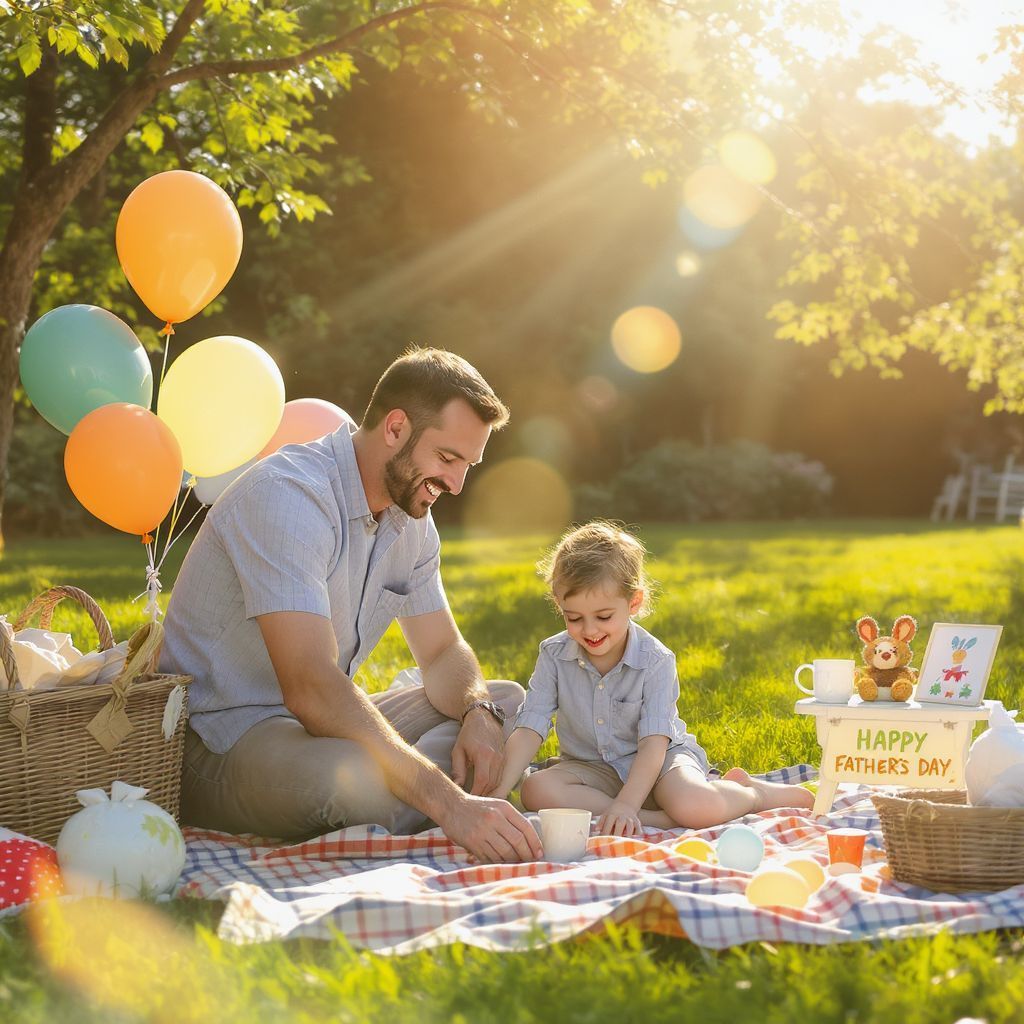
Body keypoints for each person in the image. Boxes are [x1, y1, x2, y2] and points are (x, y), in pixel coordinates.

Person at [161, 347, 542, 864]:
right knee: (354, 781)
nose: (455, 484)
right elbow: (312, 686)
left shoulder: (411, 521)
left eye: (467, 466)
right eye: (448, 459)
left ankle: (425, 798)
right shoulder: (289, 497)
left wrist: (478, 711)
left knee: (507, 703)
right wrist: (448, 801)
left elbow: (443, 651)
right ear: (395, 428)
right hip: (223, 742)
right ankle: (449, 803)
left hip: (319, 727)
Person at [489, 522, 814, 835]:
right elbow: (531, 726)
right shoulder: (554, 655)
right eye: (573, 618)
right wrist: (497, 794)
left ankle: (751, 792)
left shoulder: (655, 660)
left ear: (634, 602)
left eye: (603, 617)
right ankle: (657, 820)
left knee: (695, 805)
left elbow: (653, 744)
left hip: (661, 764)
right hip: (592, 769)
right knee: (536, 789)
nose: (589, 630)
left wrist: (627, 804)